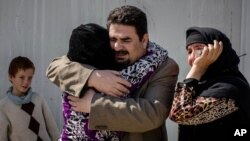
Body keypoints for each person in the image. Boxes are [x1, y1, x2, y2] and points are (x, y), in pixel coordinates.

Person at [46, 5, 179, 141]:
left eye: (126, 40)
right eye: (113, 39)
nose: (117, 47)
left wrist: (94, 103)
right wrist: (92, 77)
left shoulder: (165, 67)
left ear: (144, 40)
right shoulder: (105, 51)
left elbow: (152, 114)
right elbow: (55, 67)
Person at [169, 27, 250, 141]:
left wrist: (197, 69)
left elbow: (179, 114)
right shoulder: (202, 84)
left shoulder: (229, 89)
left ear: (218, 51)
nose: (192, 57)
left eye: (199, 50)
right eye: (189, 51)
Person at [0, 56, 59, 141]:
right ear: (11, 77)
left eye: (30, 78)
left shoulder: (38, 99)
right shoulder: (3, 107)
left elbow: (53, 129)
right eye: (21, 77)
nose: (26, 82)